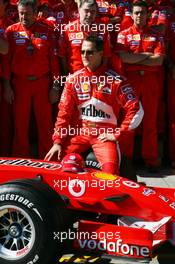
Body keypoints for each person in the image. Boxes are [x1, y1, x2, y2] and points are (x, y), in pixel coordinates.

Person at [45, 35, 144, 175]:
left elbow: (137, 109)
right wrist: (58, 141)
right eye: (82, 51)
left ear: (100, 54)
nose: (85, 55)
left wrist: (117, 134)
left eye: (90, 52)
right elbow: (63, 114)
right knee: (55, 162)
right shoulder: (73, 80)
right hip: (80, 134)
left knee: (110, 173)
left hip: (104, 135)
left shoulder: (116, 81)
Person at [3, 0, 60, 158]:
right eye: (21, 13)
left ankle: (49, 162)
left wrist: (55, 87)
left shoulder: (47, 31)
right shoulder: (11, 31)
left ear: (36, 13)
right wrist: (7, 86)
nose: (23, 16)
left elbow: (54, 62)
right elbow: (6, 62)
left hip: (42, 83)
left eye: (27, 13)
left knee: (45, 126)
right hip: (19, 84)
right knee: (20, 126)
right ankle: (20, 160)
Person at [117, 0, 165, 171]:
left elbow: (158, 60)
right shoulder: (124, 34)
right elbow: (124, 58)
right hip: (131, 81)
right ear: (132, 14)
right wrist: (146, 56)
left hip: (151, 82)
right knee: (129, 120)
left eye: (142, 13)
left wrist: (135, 58)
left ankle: (151, 160)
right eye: (136, 12)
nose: (139, 16)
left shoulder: (156, 35)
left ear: (147, 15)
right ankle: (126, 160)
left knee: (150, 122)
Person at [58, 0, 111, 75]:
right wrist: (68, 75)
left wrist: (100, 74)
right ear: (79, 10)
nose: (89, 14)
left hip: (95, 76)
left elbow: (106, 55)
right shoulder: (67, 29)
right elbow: (62, 56)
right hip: (74, 76)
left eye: (93, 11)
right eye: (86, 10)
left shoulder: (102, 30)